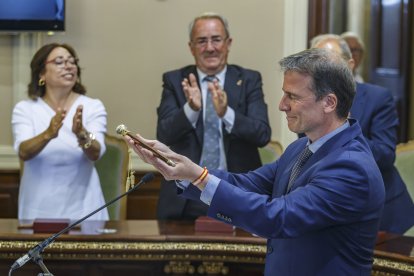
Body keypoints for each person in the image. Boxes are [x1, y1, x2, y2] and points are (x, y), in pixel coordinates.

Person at [126, 48, 385, 275]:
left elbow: (278, 217)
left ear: (329, 102)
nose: (282, 105)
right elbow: (247, 183)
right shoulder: (300, 148)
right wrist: (185, 170)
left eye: (292, 96)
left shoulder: (351, 167)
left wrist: (199, 178)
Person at [156, 12, 271, 220]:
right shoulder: (174, 80)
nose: (210, 48)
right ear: (191, 47)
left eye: (216, 39)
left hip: (235, 193)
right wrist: (191, 109)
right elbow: (164, 134)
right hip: (185, 198)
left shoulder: (248, 80)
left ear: (228, 43)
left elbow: (262, 134)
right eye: (202, 41)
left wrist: (226, 113)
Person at [310, 33, 414, 234]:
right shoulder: (311, 103)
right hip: (331, 207)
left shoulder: (377, 98)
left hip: (382, 213)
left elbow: (385, 155)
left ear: (349, 65)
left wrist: (342, 130)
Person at [11, 43, 109, 220]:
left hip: (85, 208)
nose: (69, 66)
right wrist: (48, 134)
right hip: (38, 209)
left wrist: (82, 134)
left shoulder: (92, 106)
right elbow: (23, 151)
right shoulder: (25, 109)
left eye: (72, 61)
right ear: (41, 73)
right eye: (59, 62)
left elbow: (96, 151)